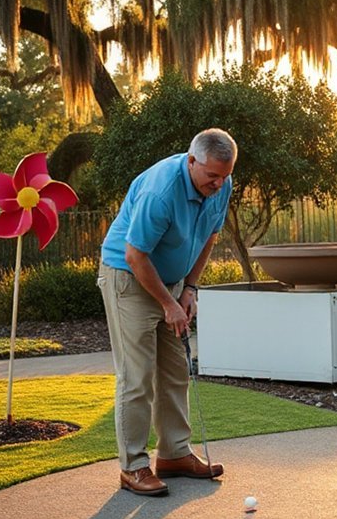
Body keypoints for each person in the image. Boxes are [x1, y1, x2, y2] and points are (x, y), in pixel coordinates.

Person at [98, 128, 236, 496]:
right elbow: (135, 255)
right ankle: (133, 466)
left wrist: (189, 289)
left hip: (172, 282)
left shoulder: (221, 184)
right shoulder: (160, 192)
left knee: (175, 370)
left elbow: (210, 237)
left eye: (225, 176)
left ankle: (174, 454)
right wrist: (168, 304)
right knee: (137, 376)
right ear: (192, 162)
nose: (219, 184)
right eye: (212, 175)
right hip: (128, 278)